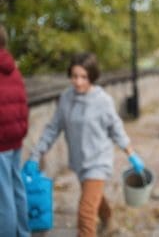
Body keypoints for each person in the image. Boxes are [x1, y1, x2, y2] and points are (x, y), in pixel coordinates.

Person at [24, 52, 144, 237]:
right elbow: (52, 128)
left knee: (86, 213)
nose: (78, 82)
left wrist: (131, 153)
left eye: (84, 77)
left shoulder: (102, 100)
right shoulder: (66, 98)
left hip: (98, 161)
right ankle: (109, 221)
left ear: (92, 76)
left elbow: (116, 129)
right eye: (74, 76)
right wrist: (35, 155)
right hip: (80, 162)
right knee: (94, 198)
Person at [0, 24, 30, 237]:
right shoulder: (12, 68)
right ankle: (23, 232)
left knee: (3, 198)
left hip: (1, 141)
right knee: (17, 188)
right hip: (15, 137)